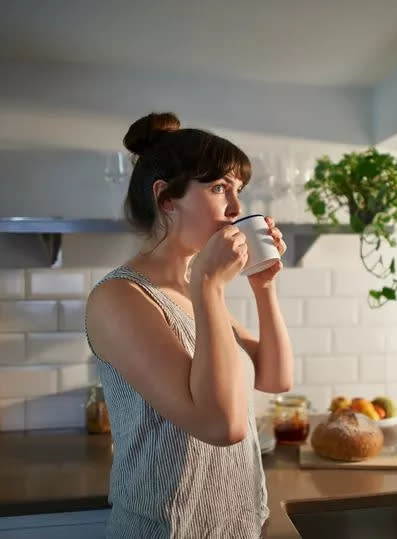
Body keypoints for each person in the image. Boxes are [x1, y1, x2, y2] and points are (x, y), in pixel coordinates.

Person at [85, 112, 294, 538]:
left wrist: (263, 284)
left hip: (233, 524)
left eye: (238, 190)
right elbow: (223, 426)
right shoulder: (121, 298)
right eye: (219, 188)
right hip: (167, 529)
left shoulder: (193, 288)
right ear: (166, 198)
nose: (237, 208)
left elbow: (275, 378)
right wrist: (210, 286)